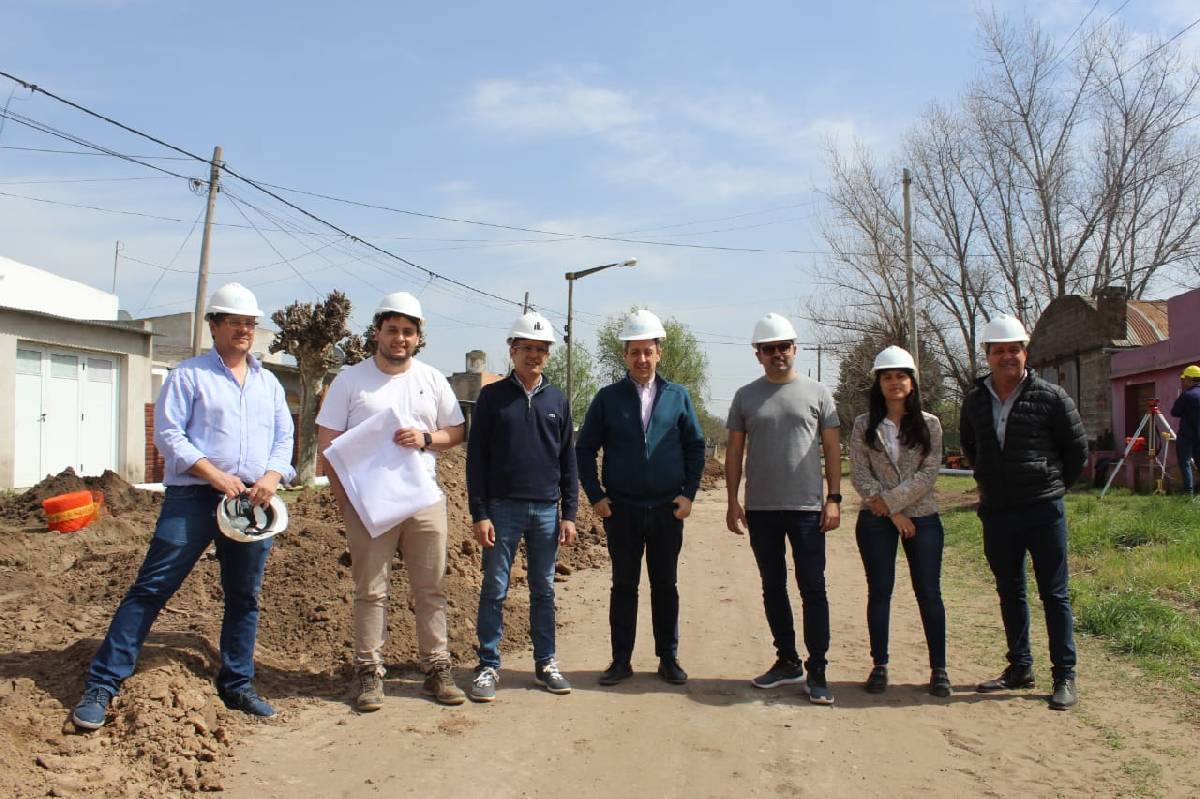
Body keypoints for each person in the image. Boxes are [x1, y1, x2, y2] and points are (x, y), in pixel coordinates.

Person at [72, 283, 295, 730]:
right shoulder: (188, 375)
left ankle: (237, 684)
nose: (244, 330)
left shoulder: (268, 383)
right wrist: (214, 475)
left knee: (244, 596)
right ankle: (103, 682)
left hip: (252, 501)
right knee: (152, 587)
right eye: (234, 322)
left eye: (250, 323)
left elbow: (284, 437)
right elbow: (170, 436)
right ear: (213, 325)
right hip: (193, 498)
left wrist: (272, 476)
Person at [316, 291, 467, 710]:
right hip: (369, 507)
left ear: (418, 338)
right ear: (377, 332)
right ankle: (368, 672)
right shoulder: (350, 381)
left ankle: (437, 667)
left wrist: (425, 438)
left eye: (408, 332)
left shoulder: (432, 380)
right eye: (392, 330)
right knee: (371, 591)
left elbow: (455, 432)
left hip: (423, 501)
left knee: (431, 588)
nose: (399, 338)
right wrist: (346, 502)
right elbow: (327, 445)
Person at [961, 313, 1087, 711]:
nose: (1006, 357)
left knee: (1054, 593)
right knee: (1010, 590)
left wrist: (1051, 486)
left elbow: (1076, 449)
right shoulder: (975, 400)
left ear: (1024, 352)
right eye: (998, 351)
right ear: (988, 356)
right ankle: (1019, 667)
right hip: (998, 512)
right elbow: (971, 448)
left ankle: (1064, 675)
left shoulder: (1050, 396)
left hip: (1042, 509)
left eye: (1013, 349)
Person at [576, 309, 706, 686]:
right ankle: (621, 661)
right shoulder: (608, 398)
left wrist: (689, 495)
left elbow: (695, 447)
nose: (642, 359)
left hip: (667, 510)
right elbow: (584, 450)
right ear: (625, 355)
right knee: (623, 587)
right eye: (635, 352)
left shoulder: (678, 397)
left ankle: (668, 657)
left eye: (648, 351)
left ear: (659, 353)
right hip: (623, 511)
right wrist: (596, 496)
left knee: (666, 586)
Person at [725, 312, 842, 705]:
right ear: (758, 354)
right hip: (762, 508)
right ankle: (787, 660)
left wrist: (834, 498)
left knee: (813, 588)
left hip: (808, 509)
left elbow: (831, 448)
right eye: (769, 349)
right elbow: (735, 452)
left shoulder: (819, 394)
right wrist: (732, 501)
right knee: (772, 586)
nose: (777, 354)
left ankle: (818, 669)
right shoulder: (746, 396)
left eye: (783, 347)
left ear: (795, 349)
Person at [465, 312, 578, 702]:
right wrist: (479, 513)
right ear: (512, 350)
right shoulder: (493, 398)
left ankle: (546, 663)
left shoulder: (557, 400)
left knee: (543, 589)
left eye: (541, 349)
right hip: (501, 510)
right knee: (495, 588)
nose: (534, 355)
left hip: (547, 512)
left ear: (548, 355)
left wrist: (569, 513)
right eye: (526, 348)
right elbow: (475, 459)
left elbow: (568, 462)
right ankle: (488, 665)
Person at [848, 346, 950, 697]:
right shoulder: (864, 425)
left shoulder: (930, 424)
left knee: (929, 592)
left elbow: (929, 472)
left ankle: (939, 669)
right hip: (878, 519)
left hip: (923, 517)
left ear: (912, 381)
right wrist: (892, 512)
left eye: (900, 376)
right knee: (880, 591)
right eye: (887, 377)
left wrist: (895, 504)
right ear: (878, 382)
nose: (894, 382)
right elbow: (859, 474)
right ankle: (880, 664)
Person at [1170, 365, 1200, 498]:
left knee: (1185, 462)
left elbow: (1174, 412)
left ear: (1189, 379)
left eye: (1184, 379)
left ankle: (1189, 493)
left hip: (1187, 436)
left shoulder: (1187, 395)